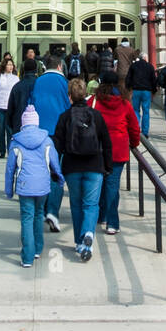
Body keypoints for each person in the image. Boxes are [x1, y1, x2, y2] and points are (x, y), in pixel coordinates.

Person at [54, 78, 113, 260]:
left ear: (69, 96)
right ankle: (88, 233)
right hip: (94, 166)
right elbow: (107, 142)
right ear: (86, 96)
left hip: (72, 166)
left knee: (76, 205)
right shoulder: (96, 116)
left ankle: (79, 243)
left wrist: (54, 169)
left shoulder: (64, 117)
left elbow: (58, 145)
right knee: (91, 204)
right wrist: (108, 166)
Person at [5, 106, 63, 267]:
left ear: (23, 124)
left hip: (25, 185)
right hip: (43, 185)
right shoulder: (47, 140)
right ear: (36, 123)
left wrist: (9, 190)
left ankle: (27, 256)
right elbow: (55, 164)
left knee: (27, 218)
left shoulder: (16, 142)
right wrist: (60, 179)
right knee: (38, 214)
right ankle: (38, 248)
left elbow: (10, 169)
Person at [87, 67, 140, 233]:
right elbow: (134, 127)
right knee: (112, 185)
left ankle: (101, 215)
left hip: (97, 148)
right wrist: (134, 143)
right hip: (118, 149)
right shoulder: (125, 103)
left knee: (98, 183)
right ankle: (112, 222)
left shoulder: (93, 101)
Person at [32, 54, 71, 231]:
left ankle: (41, 209)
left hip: (40, 132)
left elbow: (30, 104)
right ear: (60, 67)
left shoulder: (38, 81)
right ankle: (52, 211)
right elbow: (69, 106)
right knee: (57, 172)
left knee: (42, 171)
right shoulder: (64, 83)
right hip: (59, 132)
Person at [0, 55, 19, 158]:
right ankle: (2, 152)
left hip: (10, 107)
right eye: (8, 64)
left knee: (9, 130)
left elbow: (17, 92)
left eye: (12, 65)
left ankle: (10, 151)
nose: (10, 66)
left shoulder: (16, 78)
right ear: (4, 65)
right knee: (1, 129)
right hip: (0, 106)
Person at [126, 50, 158, 138]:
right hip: (146, 91)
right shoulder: (150, 67)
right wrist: (154, 91)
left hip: (136, 90)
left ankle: (136, 130)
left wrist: (128, 88)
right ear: (145, 58)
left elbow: (128, 77)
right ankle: (145, 132)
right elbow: (153, 80)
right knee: (146, 111)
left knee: (136, 110)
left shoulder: (133, 66)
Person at [7, 58, 39, 134]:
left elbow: (10, 111)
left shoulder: (17, 87)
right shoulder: (40, 85)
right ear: (36, 70)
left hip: (19, 127)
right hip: (37, 127)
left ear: (24, 69)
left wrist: (13, 126)